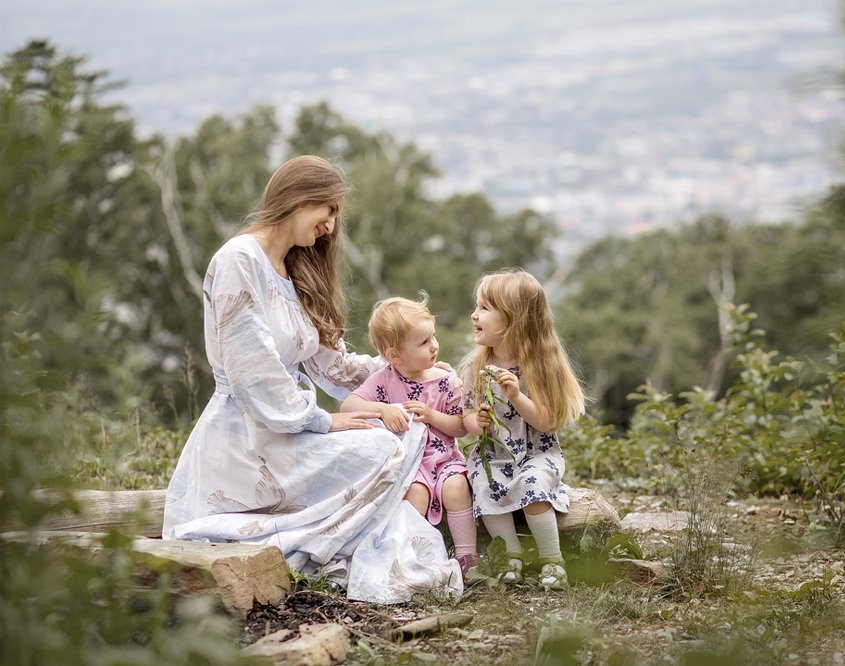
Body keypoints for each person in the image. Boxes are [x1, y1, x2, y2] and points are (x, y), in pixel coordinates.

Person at [161, 155, 462, 603]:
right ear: (300, 198)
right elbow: (253, 370)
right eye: (330, 210)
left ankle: (331, 536)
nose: (331, 226)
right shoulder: (239, 260)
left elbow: (331, 365)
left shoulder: (292, 270)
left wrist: (406, 370)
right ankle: (304, 543)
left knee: (391, 435)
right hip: (249, 435)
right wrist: (323, 420)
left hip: (289, 426)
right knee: (382, 444)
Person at [460, 268, 586, 591]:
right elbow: (466, 416)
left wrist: (516, 396)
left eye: (485, 308)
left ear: (513, 319)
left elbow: (547, 421)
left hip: (537, 454)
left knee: (532, 483)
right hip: (496, 454)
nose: (474, 315)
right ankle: (510, 555)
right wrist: (478, 421)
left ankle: (552, 559)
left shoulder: (539, 367)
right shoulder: (478, 367)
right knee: (483, 482)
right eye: (477, 307)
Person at [340, 295, 479, 580]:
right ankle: (409, 556)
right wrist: (382, 408)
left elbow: (460, 427)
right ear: (394, 356)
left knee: (456, 488)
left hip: (444, 460)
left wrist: (431, 415)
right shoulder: (384, 380)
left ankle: (467, 557)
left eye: (433, 337)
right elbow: (348, 406)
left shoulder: (445, 381)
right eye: (424, 342)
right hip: (410, 467)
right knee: (415, 496)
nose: (434, 346)